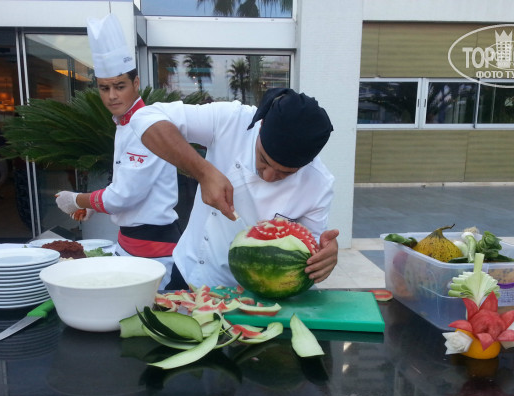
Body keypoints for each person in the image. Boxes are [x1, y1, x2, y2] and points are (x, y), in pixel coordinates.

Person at [130, 87, 340, 290]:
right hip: (188, 272)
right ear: (261, 126)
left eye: (284, 173)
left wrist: (324, 256)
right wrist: (203, 172)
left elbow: (310, 249)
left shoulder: (319, 184)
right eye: (263, 160)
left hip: (256, 290)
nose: (268, 176)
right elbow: (145, 117)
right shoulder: (232, 120)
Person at [55, 13, 181, 288]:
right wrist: (94, 206)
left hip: (153, 248)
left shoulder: (144, 126)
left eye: (120, 86)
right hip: (130, 243)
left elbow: (124, 196)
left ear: (136, 84)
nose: (112, 95)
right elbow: (127, 187)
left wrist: (78, 199)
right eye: (104, 88)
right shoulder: (124, 123)